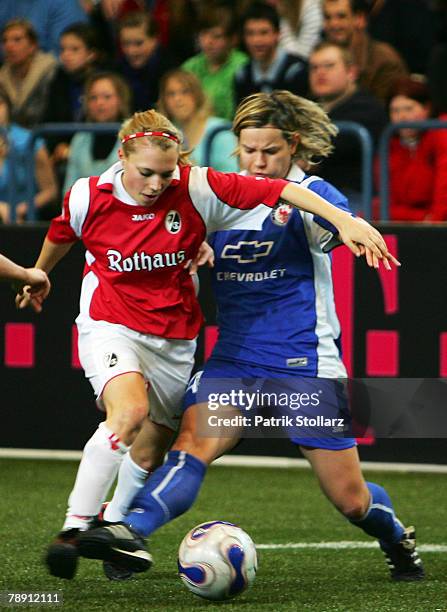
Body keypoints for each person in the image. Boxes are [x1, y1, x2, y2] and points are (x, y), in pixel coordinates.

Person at [16, 105, 395, 581]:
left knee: (352, 500)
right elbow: (170, 221)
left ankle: (395, 536)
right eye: (249, 150)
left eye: (270, 151)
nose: (257, 161)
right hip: (235, 359)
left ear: (293, 147)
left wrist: (347, 224)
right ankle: (124, 535)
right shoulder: (216, 194)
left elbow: (306, 209)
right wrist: (196, 242)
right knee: (190, 445)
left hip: (305, 364)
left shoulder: (313, 196)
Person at [308, 41, 387, 213]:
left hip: (352, 195)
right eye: (314, 68)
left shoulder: (368, 107)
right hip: (310, 192)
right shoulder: (306, 108)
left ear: (351, 72)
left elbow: (339, 145)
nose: (320, 73)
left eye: (329, 66)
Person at [379, 77, 447, 222]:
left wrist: (434, 220)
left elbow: (444, 189)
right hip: (412, 223)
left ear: (427, 109)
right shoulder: (388, 145)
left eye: (409, 109)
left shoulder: (441, 133)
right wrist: (422, 218)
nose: (402, 117)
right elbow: (386, 205)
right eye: (395, 111)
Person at [322, 0, 408, 104]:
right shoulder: (318, 61)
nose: (333, 24)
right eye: (327, 18)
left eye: (341, 16)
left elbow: (380, 113)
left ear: (360, 19)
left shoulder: (385, 61)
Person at [157, 69, 238, 173]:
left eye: (185, 92)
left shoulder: (220, 131)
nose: (177, 99)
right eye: (171, 94)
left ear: (197, 95)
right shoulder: (171, 136)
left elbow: (232, 177)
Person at [62, 71, 130, 194]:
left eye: (107, 97)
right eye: (93, 98)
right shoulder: (80, 138)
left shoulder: (132, 138)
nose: (100, 103)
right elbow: (69, 188)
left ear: (120, 100)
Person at [0, 88, 58, 223]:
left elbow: (50, 190)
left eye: (0, 103)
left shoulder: (29, 140)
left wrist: (19, 209)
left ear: (8, 107)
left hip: (23, 220)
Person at [181, 6, 248, 122]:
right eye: (203, 34)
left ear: (233, 39)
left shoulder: (243, 66)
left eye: (217, 36)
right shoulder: (189, 67)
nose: (208, 42)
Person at [234, 2, 308, 105]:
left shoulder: (296, 70)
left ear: (277, 34)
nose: (256, 41)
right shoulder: (242, 74)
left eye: (264, 33)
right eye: (250, 33)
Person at [0, 19, 57, 127]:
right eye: (5, 41)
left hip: (43, 137)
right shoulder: (2, 77)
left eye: (17, 40)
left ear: (33, 46)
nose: (9, 46)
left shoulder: (51, 73)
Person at [115, 11, 176, 113]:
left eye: (138, 43)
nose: (131, 51)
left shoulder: (171, 72)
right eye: (125, 44)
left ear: (155, 40)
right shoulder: (115, 71)